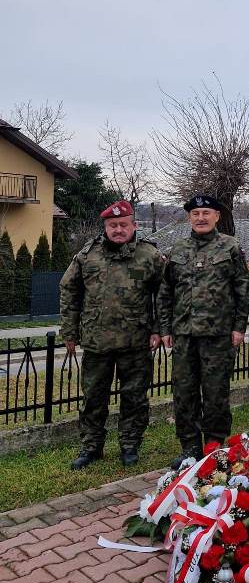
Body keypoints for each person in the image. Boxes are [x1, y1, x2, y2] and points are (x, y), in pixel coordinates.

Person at [59, 199, 164, 470]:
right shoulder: (87, 255)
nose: (118, 229)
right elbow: (69, 290)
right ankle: (91, 447)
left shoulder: (149, 255)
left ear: (134, 225)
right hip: (97, 341)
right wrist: (69, 330)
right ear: (105, 227)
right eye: (113, 225)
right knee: (93, 397)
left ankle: (130, 445)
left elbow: (164, 294)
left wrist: (158, 329)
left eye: (123, 224)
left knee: (134, 397)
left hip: (136, 340)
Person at [157, 194, 249, 464]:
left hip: (218, 335)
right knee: (184, 393)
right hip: (184, 335)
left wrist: (239, 327)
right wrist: (165, 328)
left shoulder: (230, 247)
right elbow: (165, 292)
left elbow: (243, 289)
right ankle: (189, 447)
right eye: (195, 213)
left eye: (206, 213)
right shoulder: (178, 249)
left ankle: (214, 445)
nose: (201, 218)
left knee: (216, 393)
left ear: (216, 217)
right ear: (189, 217)